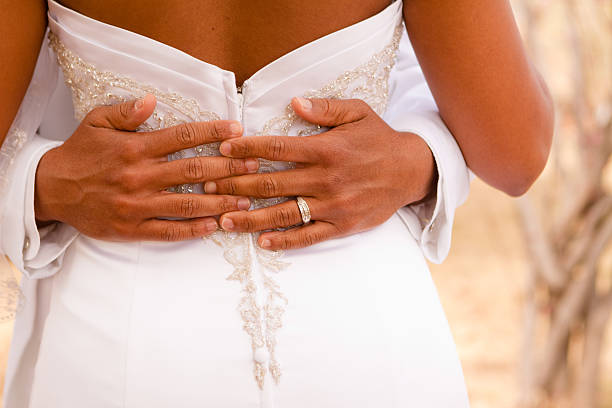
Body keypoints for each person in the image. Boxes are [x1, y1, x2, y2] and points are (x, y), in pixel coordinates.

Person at [0, 0, 553, 407]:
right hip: (369, 338)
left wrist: (43, 182)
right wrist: (421, 159)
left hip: (121, 347)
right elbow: (516, 151)